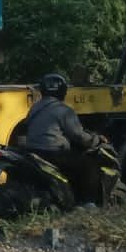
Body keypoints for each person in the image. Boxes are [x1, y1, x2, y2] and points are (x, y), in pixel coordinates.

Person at [23, 73, 106, 204]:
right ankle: (87, 203)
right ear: (63, 91)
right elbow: (79, 136)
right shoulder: (64, 110)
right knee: (89, 166)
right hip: (52, 153)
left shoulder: (34, 108)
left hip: (33, 152)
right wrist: (96, 140)